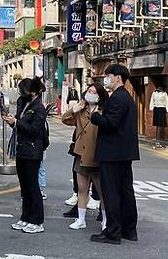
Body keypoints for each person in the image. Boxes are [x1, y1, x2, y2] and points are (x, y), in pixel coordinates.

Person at [90, 64, 139, 245]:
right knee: (125, 191)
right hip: (124, 153)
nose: (106, 79)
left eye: (108, 75)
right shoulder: (126, 97)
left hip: (112, 152)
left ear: (118, 77)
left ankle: (113, 232)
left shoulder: (118, 98)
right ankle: (129, 229)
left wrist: (95, 117)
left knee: (111, 192)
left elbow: (111, 122)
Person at [61, 83, 108, 231]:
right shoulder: (82, 110)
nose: (91, 94)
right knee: (82, 189)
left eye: (94, 92)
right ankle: (80, 219)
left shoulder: (103, 111)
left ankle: (105, 221)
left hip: (98, 155)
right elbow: (65, 119)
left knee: (102, 191)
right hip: (81, 154)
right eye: (89, 91)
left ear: (100, 96)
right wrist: (75, 109)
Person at [4, 77, 47, 235]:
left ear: (33, 92)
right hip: (21, 149)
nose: (21, 93)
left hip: (33, 150)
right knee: (24, 187)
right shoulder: (23, 103)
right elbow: (20, 124)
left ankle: (37, 220)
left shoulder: (39, 108)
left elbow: (34, 130)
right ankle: (25, 217)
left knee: (32, 186)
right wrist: (12, 122)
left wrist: (16, 122)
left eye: (23, 91)